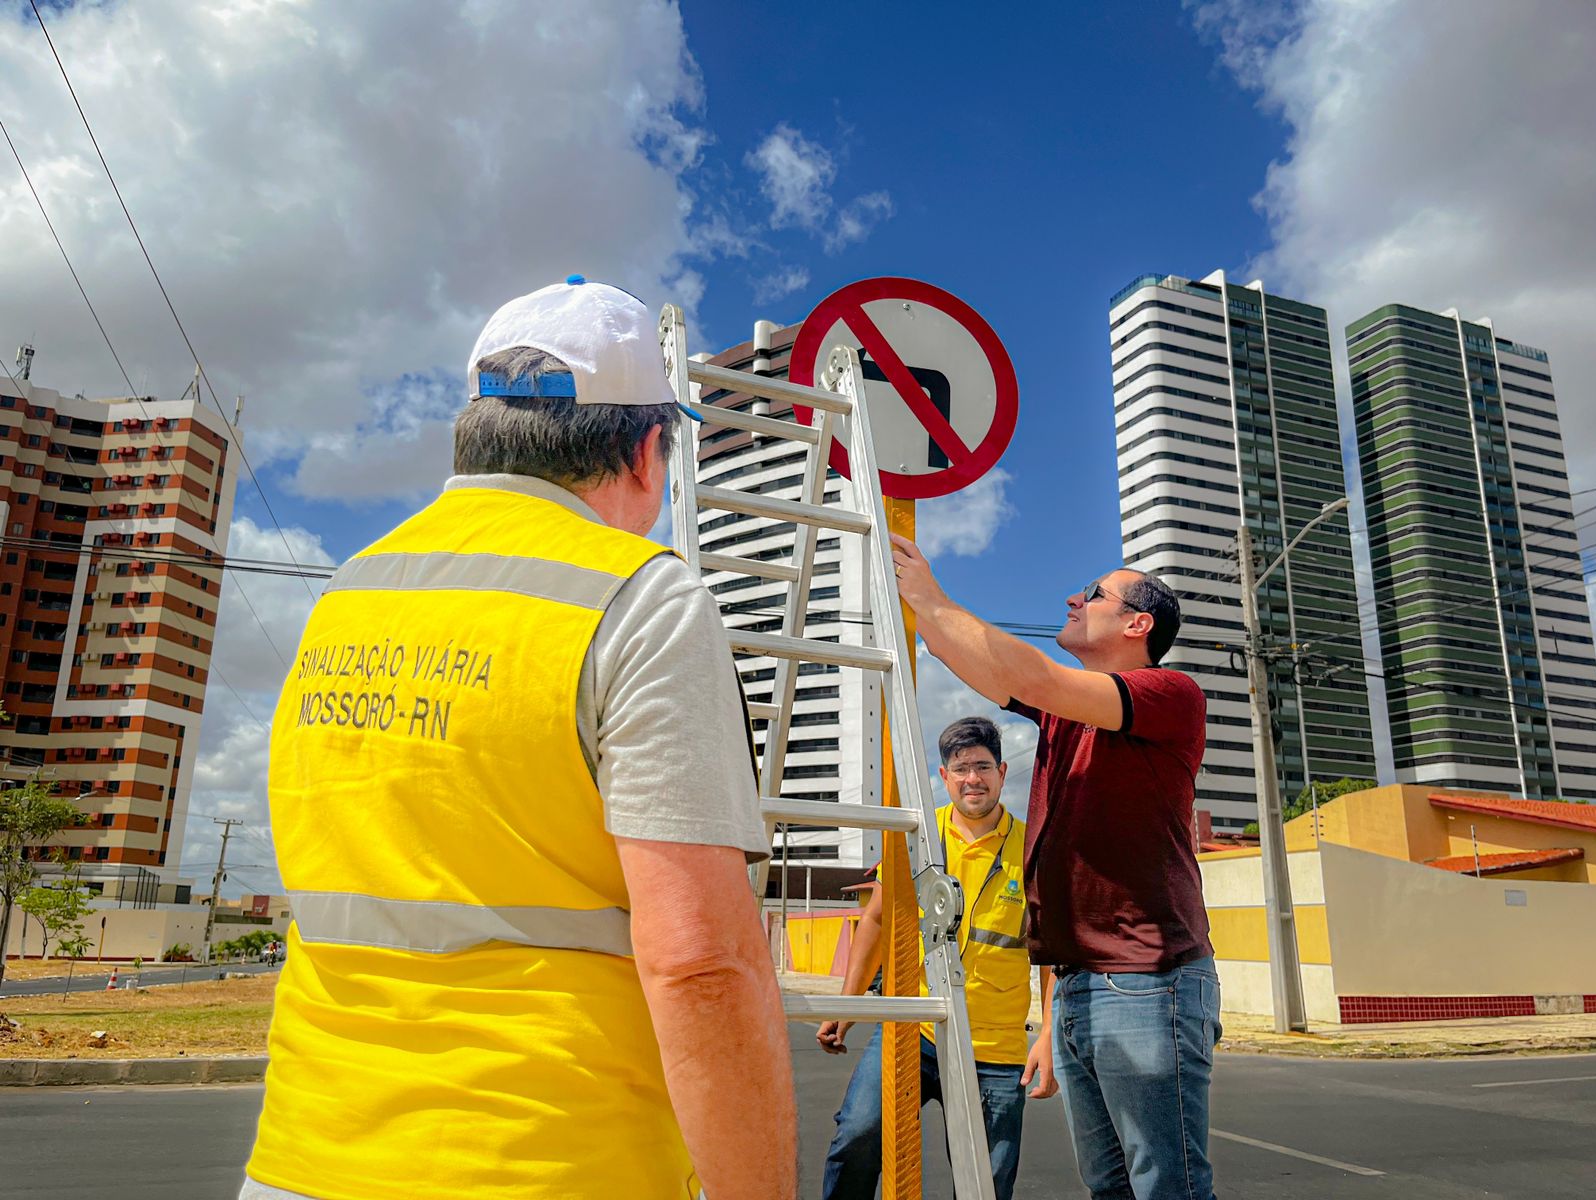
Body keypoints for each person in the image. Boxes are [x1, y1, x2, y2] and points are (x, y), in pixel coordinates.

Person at [241, 277, 797, 1200]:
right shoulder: (640, 597)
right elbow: (699, 960)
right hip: (549, 1161)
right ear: (647, 451)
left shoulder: (351, 591)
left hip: (304, 1155)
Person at [890, 538, 1221, 1200]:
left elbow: (1031, 674)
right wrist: (917, 603)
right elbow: (991, 669)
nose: (1073, 599)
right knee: (1110, 1188)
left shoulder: (1167, 692)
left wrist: (932, 596)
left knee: (1167, 1188)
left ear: (1138, 624)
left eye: (1094, 594)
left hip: (1146, 983)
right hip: (1077, 987)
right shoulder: (1067, 712)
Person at [816, 716, 1056, 1200]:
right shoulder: (917, 838)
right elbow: (877, 922)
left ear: (1003, 772)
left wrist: (1049, 1037)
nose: (973, 778)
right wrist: (849, 1006)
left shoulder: (1032, 850)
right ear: (943, 776)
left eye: (983, 766)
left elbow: (1052, 955)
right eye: (961, 767)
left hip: (994, 1048)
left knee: (985, 1184)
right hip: (912, 1026)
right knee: (857, 1138)